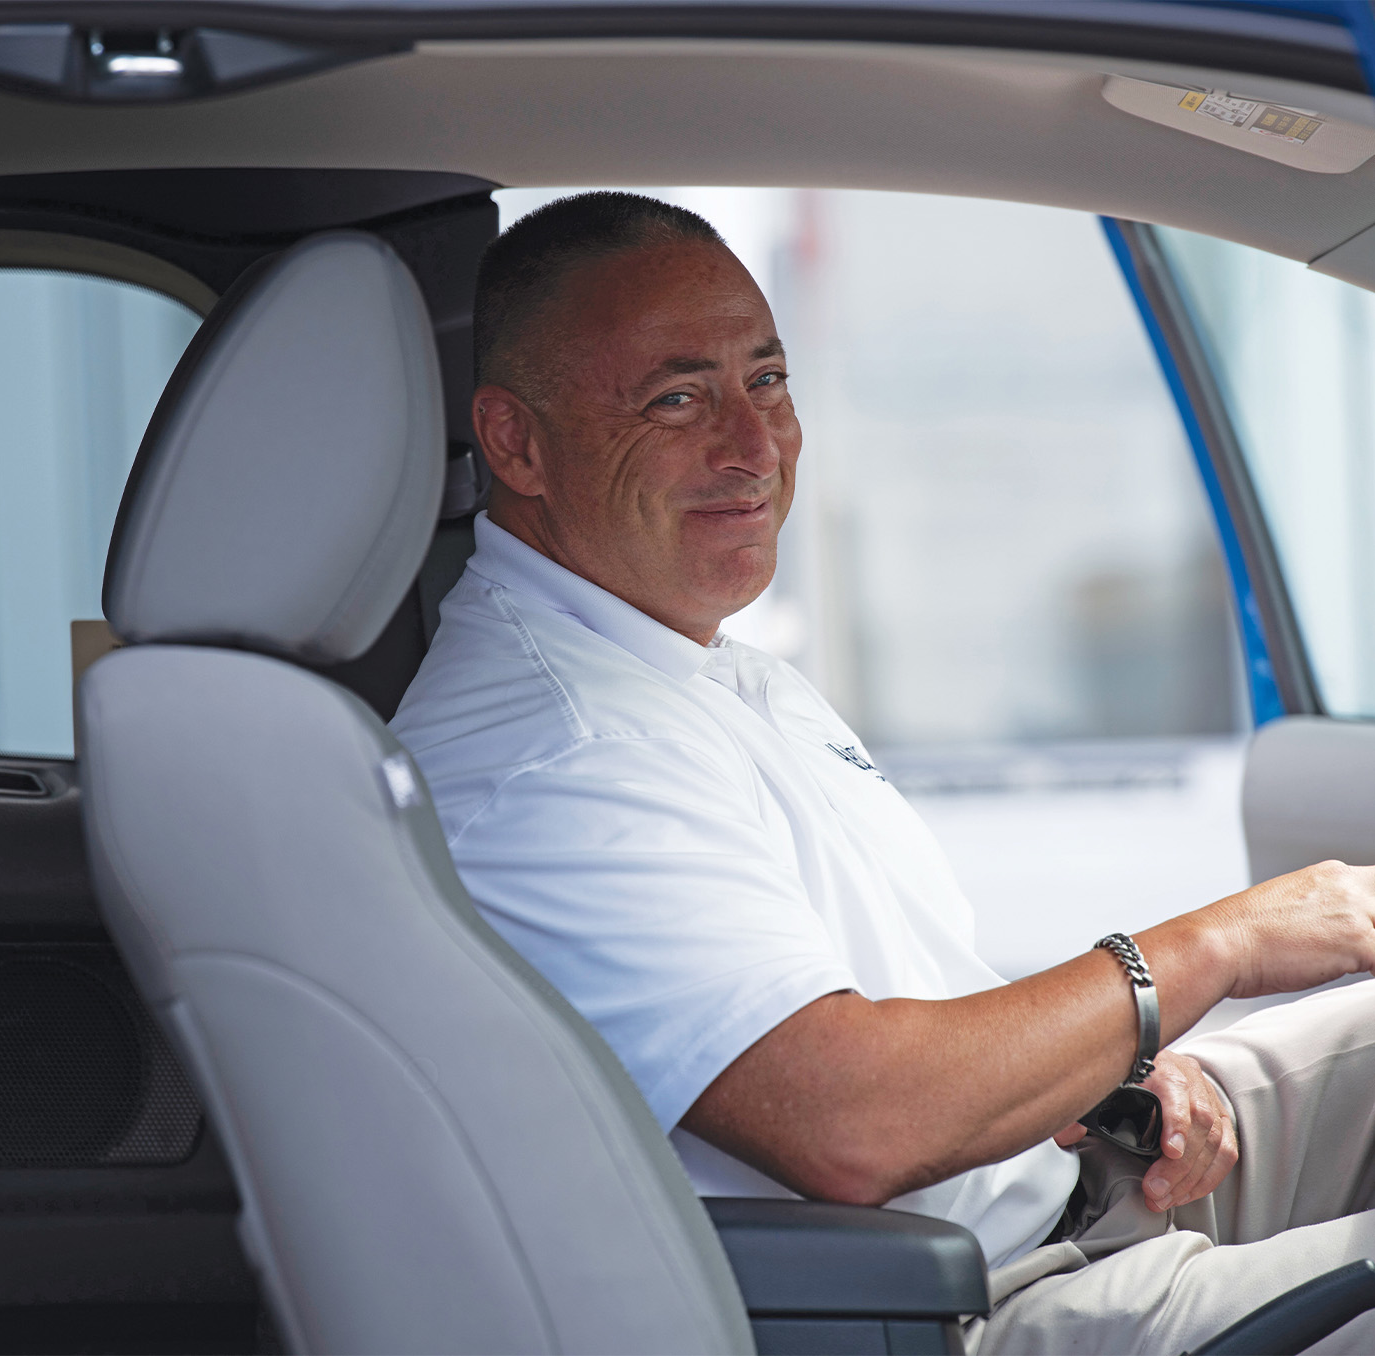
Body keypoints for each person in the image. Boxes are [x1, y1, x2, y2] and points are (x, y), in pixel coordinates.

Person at [388, 190, 1375, 1353]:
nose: (752, 445)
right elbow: (852, 1123)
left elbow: (898, 1004)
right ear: (514, 443)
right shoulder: (551, 756)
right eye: (675, 398)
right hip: (961, 1305)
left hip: (1067, 1184)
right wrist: (1222, 945)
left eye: (765, 380)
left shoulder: (689, 663)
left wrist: (1104, 1073)